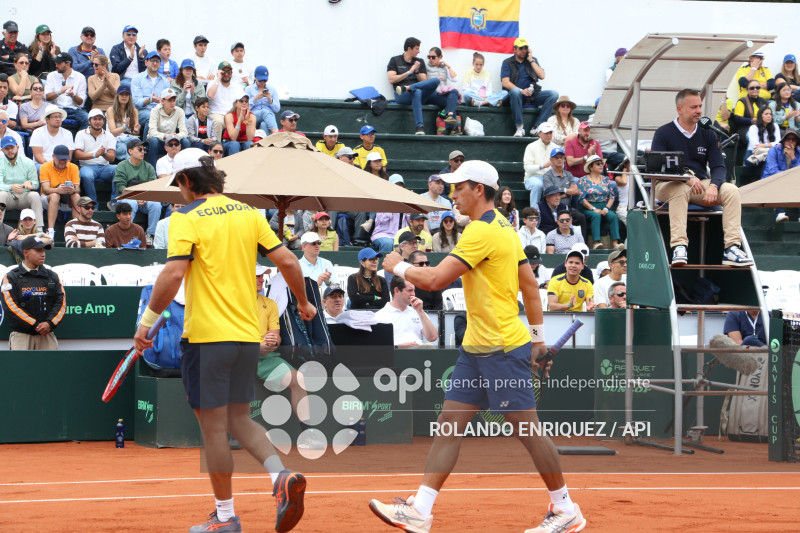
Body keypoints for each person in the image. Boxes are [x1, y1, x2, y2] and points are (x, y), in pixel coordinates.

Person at [371, 160, 586, 533]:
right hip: (478, 347)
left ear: (479, 190)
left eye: (458, 188)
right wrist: (537, 341)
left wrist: (398, 267)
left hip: (501, 348)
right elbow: (530, 287)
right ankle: (421, 509)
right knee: (449, 425)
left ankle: (566, 508)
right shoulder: (505, 227)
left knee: (528, 431)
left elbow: (436, 279)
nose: (453, 194)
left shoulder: (483, 232)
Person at [132, 148, 312, 533]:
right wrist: (303, 303)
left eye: (178, 183)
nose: (178, 191)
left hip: (207, 339)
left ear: (186, 181)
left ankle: (226, 518)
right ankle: (279, 475)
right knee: (238, 418)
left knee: (214, 429)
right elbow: (290, 263)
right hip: (247, 338)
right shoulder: (250, 214)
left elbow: (172, 275)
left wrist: (146, 324)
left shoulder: (186, 218)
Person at [652, 89, 753, 266]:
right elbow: (657, 165)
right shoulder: (664, 132)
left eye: (699, 106)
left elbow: (718, 166)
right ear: (680, 109)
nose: (699, 110)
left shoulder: (707, 133)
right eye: (693, 107)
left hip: (698, 186)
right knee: (680, 187)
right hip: (667, 184)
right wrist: (685, 176)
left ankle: (731, 247)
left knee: (731, 190)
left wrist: (714, 185)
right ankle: (679, 246)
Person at [1, 235, 65, 350]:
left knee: (50, 368)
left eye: (44, 250)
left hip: (47, 334)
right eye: (38, 250)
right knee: (21, 368)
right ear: (25, 252)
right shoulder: (11, 277)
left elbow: (61, 303)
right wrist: (35, 324)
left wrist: (49, 324)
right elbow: (11, 307)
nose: (43, 254)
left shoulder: (52, 276)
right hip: (21, 336)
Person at [388, 37, 456, 135]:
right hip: (402, 95)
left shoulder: (419, 61)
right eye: (417, 48)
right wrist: (409, 71)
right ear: (409, 48)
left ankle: (451, 128)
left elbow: (424, 81)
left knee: (448, 92)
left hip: (420, 94)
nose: (419, 51)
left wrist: (416, 71)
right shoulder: (395, 60)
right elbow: (391, 79)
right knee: (418, 91)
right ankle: (420, 127)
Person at [500, 37, 559, 137]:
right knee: (515, 92)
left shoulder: (532, 60)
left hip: (532, 95)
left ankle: (537, 127)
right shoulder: (507, 62)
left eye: (526, 48)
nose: (524, 50)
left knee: (553, 94)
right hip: (516, 96)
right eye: (521, 48)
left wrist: (531, 60)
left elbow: (542, 75)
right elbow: (505, 82)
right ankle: (519, 128)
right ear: (515, 49)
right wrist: (521, 90)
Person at [114, 138, 161, 242]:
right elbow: (121, 187)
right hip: (126, 198)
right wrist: (136, 198)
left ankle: (150, 235)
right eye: (139, 149)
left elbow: (152, 187)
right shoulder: (122, 166)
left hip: (145, 199)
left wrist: (144, 197)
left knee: (156, 204)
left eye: (144, 149)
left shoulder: (149, 167)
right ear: (130, 151)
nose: (143, 152)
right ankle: (128, 234)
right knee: (131, 203)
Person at [374, 276, 438, 347]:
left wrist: (420, 311)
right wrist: (398, 346)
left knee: (429, 347)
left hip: (419, 352)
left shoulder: (418, 311)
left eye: (414, 290)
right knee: (428, 347)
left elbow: (433, 337)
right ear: (397, 290)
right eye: (410, 290)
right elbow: (377, 347)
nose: (413, 294)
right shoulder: (380, 316)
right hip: (396, 354)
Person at [578, 154, 623, 249]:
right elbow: (582, 199)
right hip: (589, 207)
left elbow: (612, 196)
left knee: (613, 216)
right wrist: (594, 209)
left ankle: (615, 243)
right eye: (598, 164)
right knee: (596, 215)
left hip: (604, 206)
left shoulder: (606, 179)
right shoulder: (583, 180)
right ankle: (596, 242)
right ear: (590, 167)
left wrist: (607, 208)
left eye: (602, 164)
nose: (601, 165)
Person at [74, 109, 117, 203]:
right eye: (95, 119)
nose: (97, 122)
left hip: (105, 167)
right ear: (89, 121)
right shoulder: (81, 134)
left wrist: (103, 154)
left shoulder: (109, 135)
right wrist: (94, 155)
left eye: (100, 119)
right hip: (86, 166)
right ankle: (93, 204)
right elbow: (77, 154)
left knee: (119, 169)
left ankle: (114, 202)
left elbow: (112, 157)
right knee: (86, 175)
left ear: (103, 121)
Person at [0, 136, 43, 230]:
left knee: (35, 195)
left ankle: (39, 230)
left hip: (24, 196)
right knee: (1, 195)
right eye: (7, 149)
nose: (10, 150)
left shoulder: (28, 162)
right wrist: (11, 187)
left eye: (12, 147)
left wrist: (30, 184)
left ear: (17, 147)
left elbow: (36, 184)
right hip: (8, 196)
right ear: (2, 150)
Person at [40, 144, 80, 237]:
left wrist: (73, 190)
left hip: (67, 199)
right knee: (55, 195)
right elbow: (45, 189)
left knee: (76, 196)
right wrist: (58, 190)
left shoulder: (73, 167)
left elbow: (77, 189)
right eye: (60, 159)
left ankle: (78, 229)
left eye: (65, 159)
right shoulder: (45, 167)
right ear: (53, 157)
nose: (62, 162)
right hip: (48, 198)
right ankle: (50, 230)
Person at [761, 129, 800, 223]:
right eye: (788, 138)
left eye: (793, 139)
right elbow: (773, 171)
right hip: (771, 180)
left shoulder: (798, 152)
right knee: (779, 181)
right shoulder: (774, 150)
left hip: (791, 181)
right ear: (783, 140)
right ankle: (780, 213)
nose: (790, 141)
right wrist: (788, 178)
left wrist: (793, 157)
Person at [147, 87, 190, 167]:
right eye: (169, 100)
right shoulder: (155, 110)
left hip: (173, 140)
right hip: (160, 141)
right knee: (153, 141)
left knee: (186, 141)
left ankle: (187, 169)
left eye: (174, 100)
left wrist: (175, 136)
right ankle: (152, 171)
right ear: (162, 101)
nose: (172, 103)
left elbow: (184, 132)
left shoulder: (180, 111)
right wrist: (166, 136)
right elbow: (152, 132)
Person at [44, 53, 88, 129]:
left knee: (88, 119)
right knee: (46, 118)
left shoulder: (80, 77)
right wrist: (59, 92)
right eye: (55, 63)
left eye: (59, 63)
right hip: (57, 108)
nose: (56, 65)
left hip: (75, 109)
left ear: (68, 64)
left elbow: (81, 103)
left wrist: (73, 96)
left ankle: (79, 140)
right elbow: (47, 97)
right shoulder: (51, 76)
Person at [133, 51, 171, 132]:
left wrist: (163, 101)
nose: (155, 63)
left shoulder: (165, 81)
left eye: (157, 61)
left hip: (160, 110)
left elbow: (169, 101)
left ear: (160, 64)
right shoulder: (137, 78)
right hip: (142, 111)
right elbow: (136, 102)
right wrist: (150, 100)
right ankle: (147, 143)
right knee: (151, 117)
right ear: (146, 62)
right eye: (152, 60)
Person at [425, 46, 460, 130]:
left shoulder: (444, 67)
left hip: (442, 94)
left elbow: (455, 79)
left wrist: (448, 66)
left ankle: (449, 116)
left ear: (440, 57)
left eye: (433, 57)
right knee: (452, 102)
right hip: (432, 94)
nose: (431, 59)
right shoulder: (426, 67)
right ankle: (452, 128)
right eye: (429, 57)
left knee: (454, 92)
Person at [207, 61, 244, 140]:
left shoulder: (237, 86)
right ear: (219, 72)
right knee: (217, 122)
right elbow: (210, 95)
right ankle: (216, 147)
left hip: (232, 114)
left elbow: (243, 101)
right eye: (224, 72)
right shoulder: (212, 83)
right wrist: (218, 79)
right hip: (217, 114)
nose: (226, 74)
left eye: (229, 72)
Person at [523, 123, 556, 206]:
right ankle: (534, 212)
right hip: (532, 177)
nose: (548, 135)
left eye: (550, 133)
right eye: (546, 133)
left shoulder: (556, 147)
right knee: (538, 185)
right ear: (539, 134)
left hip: (551, 178)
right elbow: (527, 168)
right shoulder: (531, 147)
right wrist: (543, 165)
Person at [107, 86, 140, 161]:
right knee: (123, 148)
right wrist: (124, 127)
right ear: (117, 96)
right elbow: (112, 133)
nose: (124, 96)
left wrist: (135, 131)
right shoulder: (111, 110)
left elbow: (135, 134)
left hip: (127, 137)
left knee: (137, 142)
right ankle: (130, 166)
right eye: (122, 94)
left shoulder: (134, 111)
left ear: (129, 97)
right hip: (113, 139)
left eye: (126, 94)